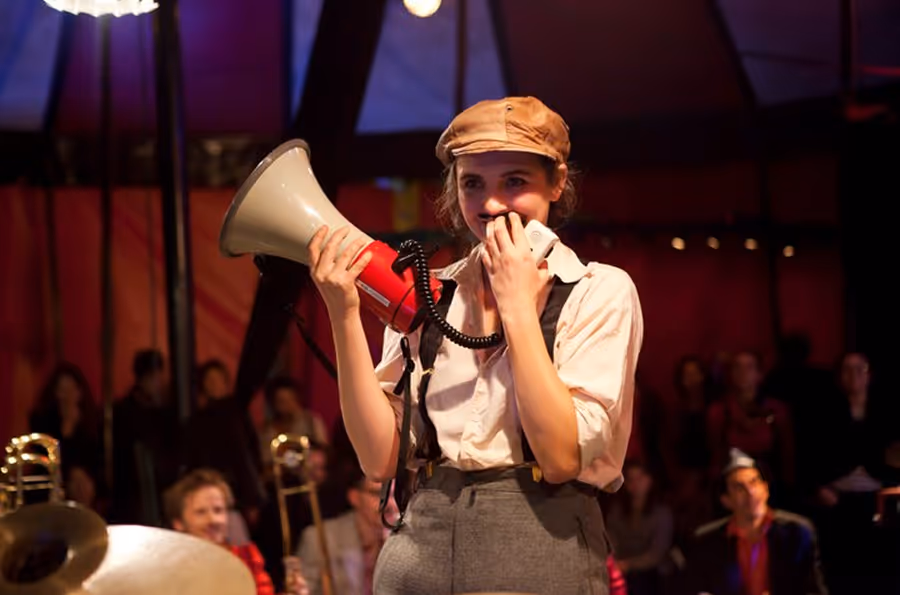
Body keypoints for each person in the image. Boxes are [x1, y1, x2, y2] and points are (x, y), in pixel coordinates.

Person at [306, 96, 643, 594]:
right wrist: (344, 313)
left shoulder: (599, 290)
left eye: (514, 181)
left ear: (557, 182)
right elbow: (380, 459)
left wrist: (518, 308)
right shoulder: (430, 293)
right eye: (472, 184)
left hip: (539, 544)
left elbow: (559, 457)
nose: (490, 205)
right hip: (419, 549)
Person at [681, 448, 828, 595]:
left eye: (754, 482)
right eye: (739, 487)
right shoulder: (707, 540)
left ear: (766, 489)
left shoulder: (797, 532)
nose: (750, 492)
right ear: (726, 500)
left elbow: (813, 591)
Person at [163, 468, 308, 595]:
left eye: (218, 510)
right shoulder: (169, 570)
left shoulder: (245, 557)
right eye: (201, 512)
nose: (213, 520)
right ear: (178, 523)